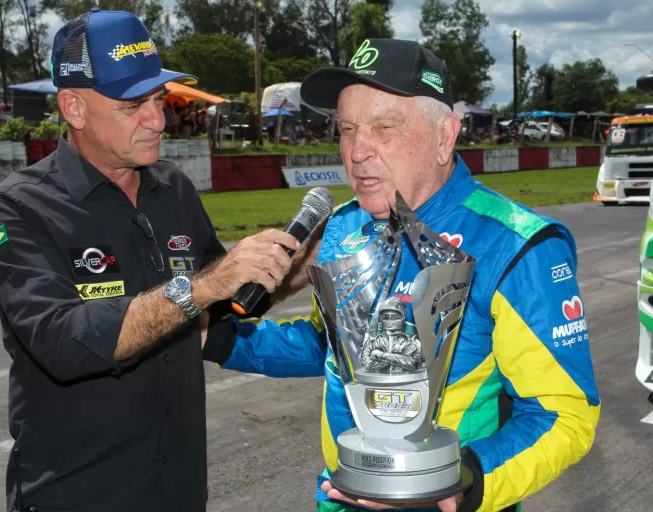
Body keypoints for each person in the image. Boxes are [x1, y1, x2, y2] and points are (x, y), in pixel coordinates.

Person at [208, 39, 601, 512]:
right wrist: (220, 340)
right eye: (347, 128)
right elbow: (330, 350)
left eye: (383, 127)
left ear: (444, 136)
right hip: (339, 500)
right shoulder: (342, 227)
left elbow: (565, 413)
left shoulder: (516, 245)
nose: (356, 151)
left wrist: (461, 483)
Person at [0, 9, 319, 512]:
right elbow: (62, 342)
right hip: (77, 495)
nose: (158, 120)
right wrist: (203, 286)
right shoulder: (19, 208)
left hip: (178, 490)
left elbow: (218, 316)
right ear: (73, 107)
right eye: (132, 104)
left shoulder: (173, 190)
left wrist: (295, 270)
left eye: (159, 100)